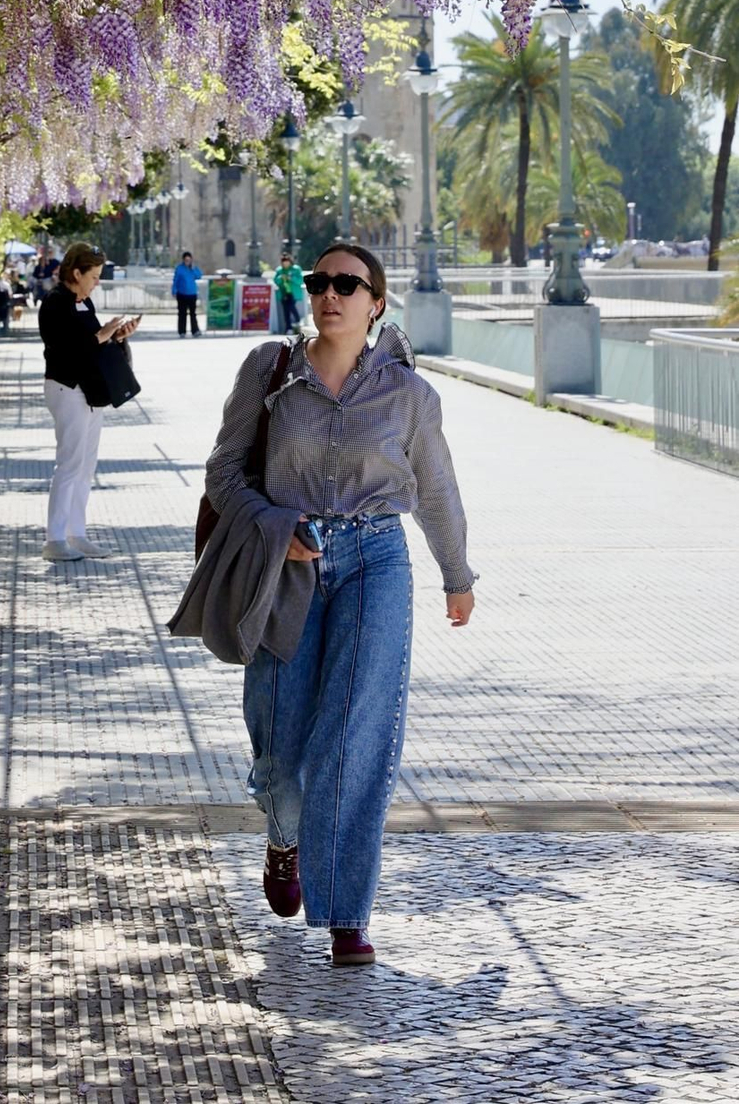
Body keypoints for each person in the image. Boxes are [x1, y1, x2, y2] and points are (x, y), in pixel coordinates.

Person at [202, 243, 476, 971]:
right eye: (319, 282)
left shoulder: (410, 395)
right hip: (286, 567)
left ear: (376, 302)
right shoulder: (269, 372)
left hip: (376, 562)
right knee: (283, 741)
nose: (330, 294)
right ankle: (284, 836)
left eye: (347, 284)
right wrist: (273, 525)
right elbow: (223, 474)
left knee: (355, 735)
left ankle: (348, 916)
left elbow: (438, 489)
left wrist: (458, 573)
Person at [36, 242, 138, 563]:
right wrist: (101, 335)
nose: (96, 282)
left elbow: (95, 348)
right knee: (68, 464)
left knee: (85, 466)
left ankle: (75, 533)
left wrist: (117, 336)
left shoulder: (85, 303)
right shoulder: (55, 303)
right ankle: (55, 539)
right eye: (92, 276)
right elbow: (64, 347)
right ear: (76, 273)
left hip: (90, 393)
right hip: (67, 388)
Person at [273, 246, 304, 336]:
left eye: (287, 262)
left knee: (291, 307)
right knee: (285, 311)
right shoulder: (280, 270)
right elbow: (276, 280)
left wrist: (292, 278)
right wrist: (281, 278)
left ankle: (297, 319)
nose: (285, 264)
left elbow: (300, 280)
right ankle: (288, 328)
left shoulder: (296, 269)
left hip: (293, 293)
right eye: (284, 262)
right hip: (284, 293)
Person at [172, 251, 203, 337]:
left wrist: (193, 268)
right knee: (182, 314)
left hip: (192, 294)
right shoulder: (179, 269)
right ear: (183, 260)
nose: (187, 262)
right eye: (186, 260)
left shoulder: (193, 268)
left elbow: (199, 275)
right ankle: (182, 331)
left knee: (193, 313)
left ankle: (195, 330)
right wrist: (174, 291)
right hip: (182, 294)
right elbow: (175, 280)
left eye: (189, 260)